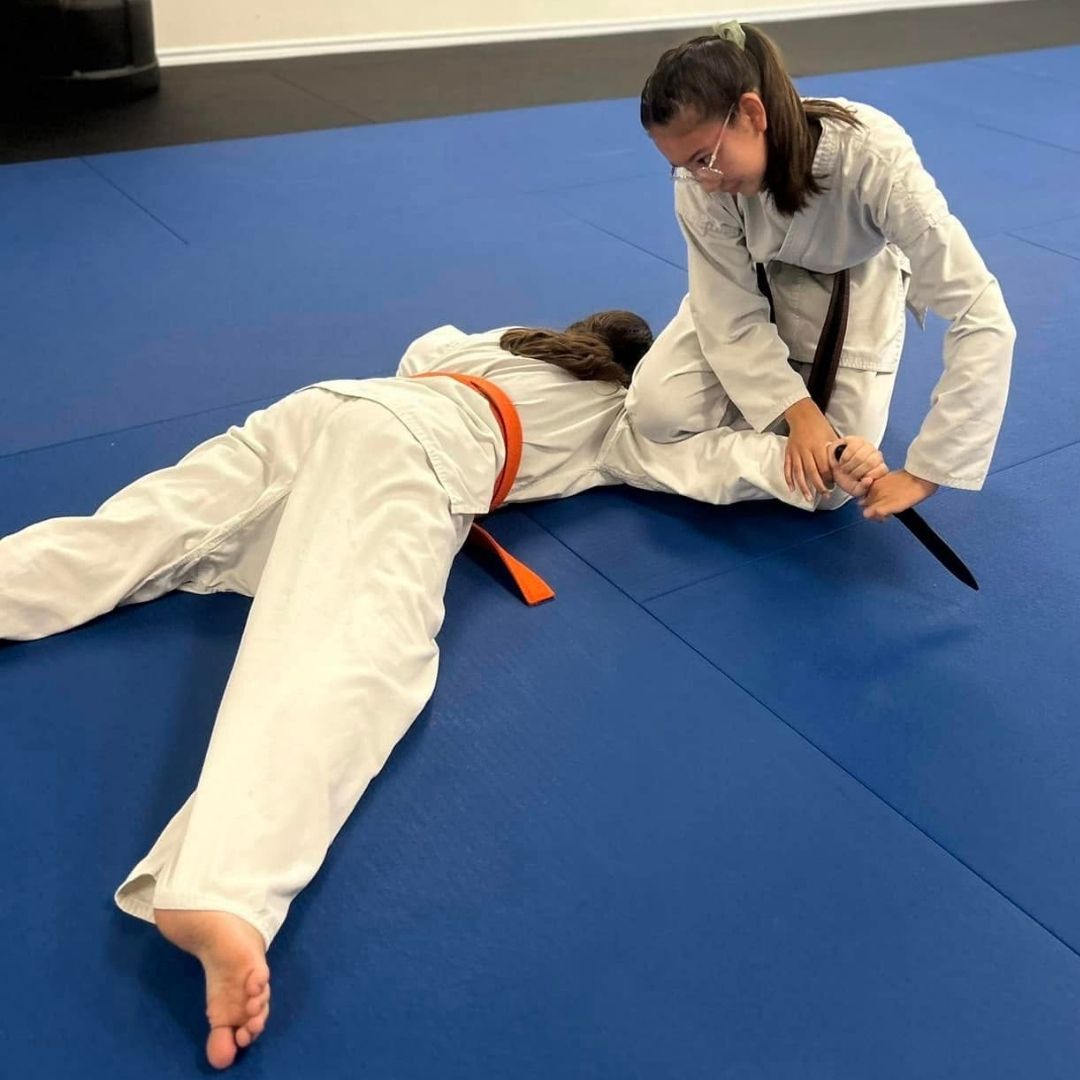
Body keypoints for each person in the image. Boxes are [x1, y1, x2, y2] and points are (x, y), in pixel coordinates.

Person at [0, 311, 884, 1069]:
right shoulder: (624, 418)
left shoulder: (494, 340)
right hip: (412, 451)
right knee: (358, 644)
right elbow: (722, 461)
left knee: (136, 531)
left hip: (326, 406)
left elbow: (421, 349)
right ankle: (223, 887)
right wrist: (819, 466)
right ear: (636, 372)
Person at [628, 20, 1015, 520]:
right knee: (654, 414)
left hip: (857, 281)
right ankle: (663, 451)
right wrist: (798, 411)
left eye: (706, 159)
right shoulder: (702, 183)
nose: (701, 182)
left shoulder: (872, 156)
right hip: (757, 280)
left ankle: (664, 456)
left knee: (827, 490)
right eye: (684, 166)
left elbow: (979, 313)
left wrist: (927, 471)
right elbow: (725, 309)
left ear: (751, 112)